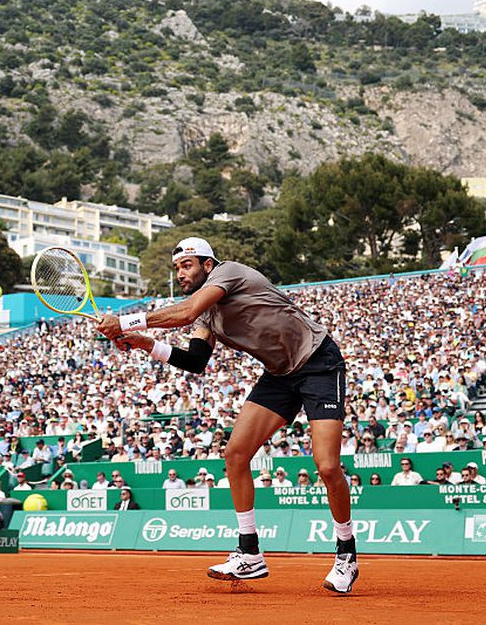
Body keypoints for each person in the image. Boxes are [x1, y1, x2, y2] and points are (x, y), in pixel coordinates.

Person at [100, 237, 358, 592]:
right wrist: (145, 343)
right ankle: (249, 553)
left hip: (319, 363)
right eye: (176, 268)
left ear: (208, 265)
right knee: (235, 455)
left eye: (187, 265)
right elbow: (194, 361)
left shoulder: (230, 273)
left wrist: (126, 323)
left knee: (327, 466)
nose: (181, 273)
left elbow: (186, 312)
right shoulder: (208, 313)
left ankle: (346, 553)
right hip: (279, 375)